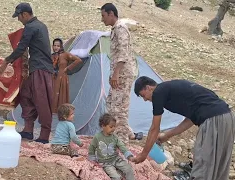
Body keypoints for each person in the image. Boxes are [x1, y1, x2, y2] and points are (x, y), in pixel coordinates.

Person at [132, 76, 234, 180]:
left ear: (149, 88)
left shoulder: (158, 92)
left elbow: (154, 128)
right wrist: (168, 135)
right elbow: (191, 119)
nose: (145, 100)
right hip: (228, 117)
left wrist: (143, 154)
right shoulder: (172, 89)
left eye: (143, 95)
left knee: (203, 164)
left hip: (212, 120)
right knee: (219, 164)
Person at [0, 2, 54, 144]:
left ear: (25, 14)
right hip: (39, 68)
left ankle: (44, 135)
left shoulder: (30, 27)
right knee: (25, 95)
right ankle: (28, 130)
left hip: (40, 69)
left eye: (19, 16)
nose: (18, 20)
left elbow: (21, 48)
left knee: (42, 101)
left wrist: (6, 62)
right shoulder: (41, 25)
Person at [100, 3, 138, 142]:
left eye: (103, 16)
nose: (102, 19)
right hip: (118, 74)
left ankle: (121, 141)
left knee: (119, 109)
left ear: (111, 14)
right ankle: (129, 133)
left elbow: (123, 53)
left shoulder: (120, 28)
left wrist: (116, 73)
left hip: (122, 75)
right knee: (111, 104)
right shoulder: (115, 29)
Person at [88, 113, 135, 180]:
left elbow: (122, 146)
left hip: (116, 159)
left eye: (114, 126)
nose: (113, 129)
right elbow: (92, 147)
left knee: (129, 169)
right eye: (111, 127)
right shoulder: (97, 137)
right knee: (116, 177)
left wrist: (128, 155)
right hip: (105, 162)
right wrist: (92, 158)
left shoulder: (115, 137)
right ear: (103, 126)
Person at [51, 38, 82, 113]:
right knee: (53, 93)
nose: (56, 47)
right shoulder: (52, 56)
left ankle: (62, 112)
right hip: (53, 77)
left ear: (61, 46)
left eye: (58, 46)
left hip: (62, 77)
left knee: (62, 94)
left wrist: (68, 68)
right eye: (54, 45)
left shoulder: (65, 54)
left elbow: (78, 60)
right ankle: (53, 110)